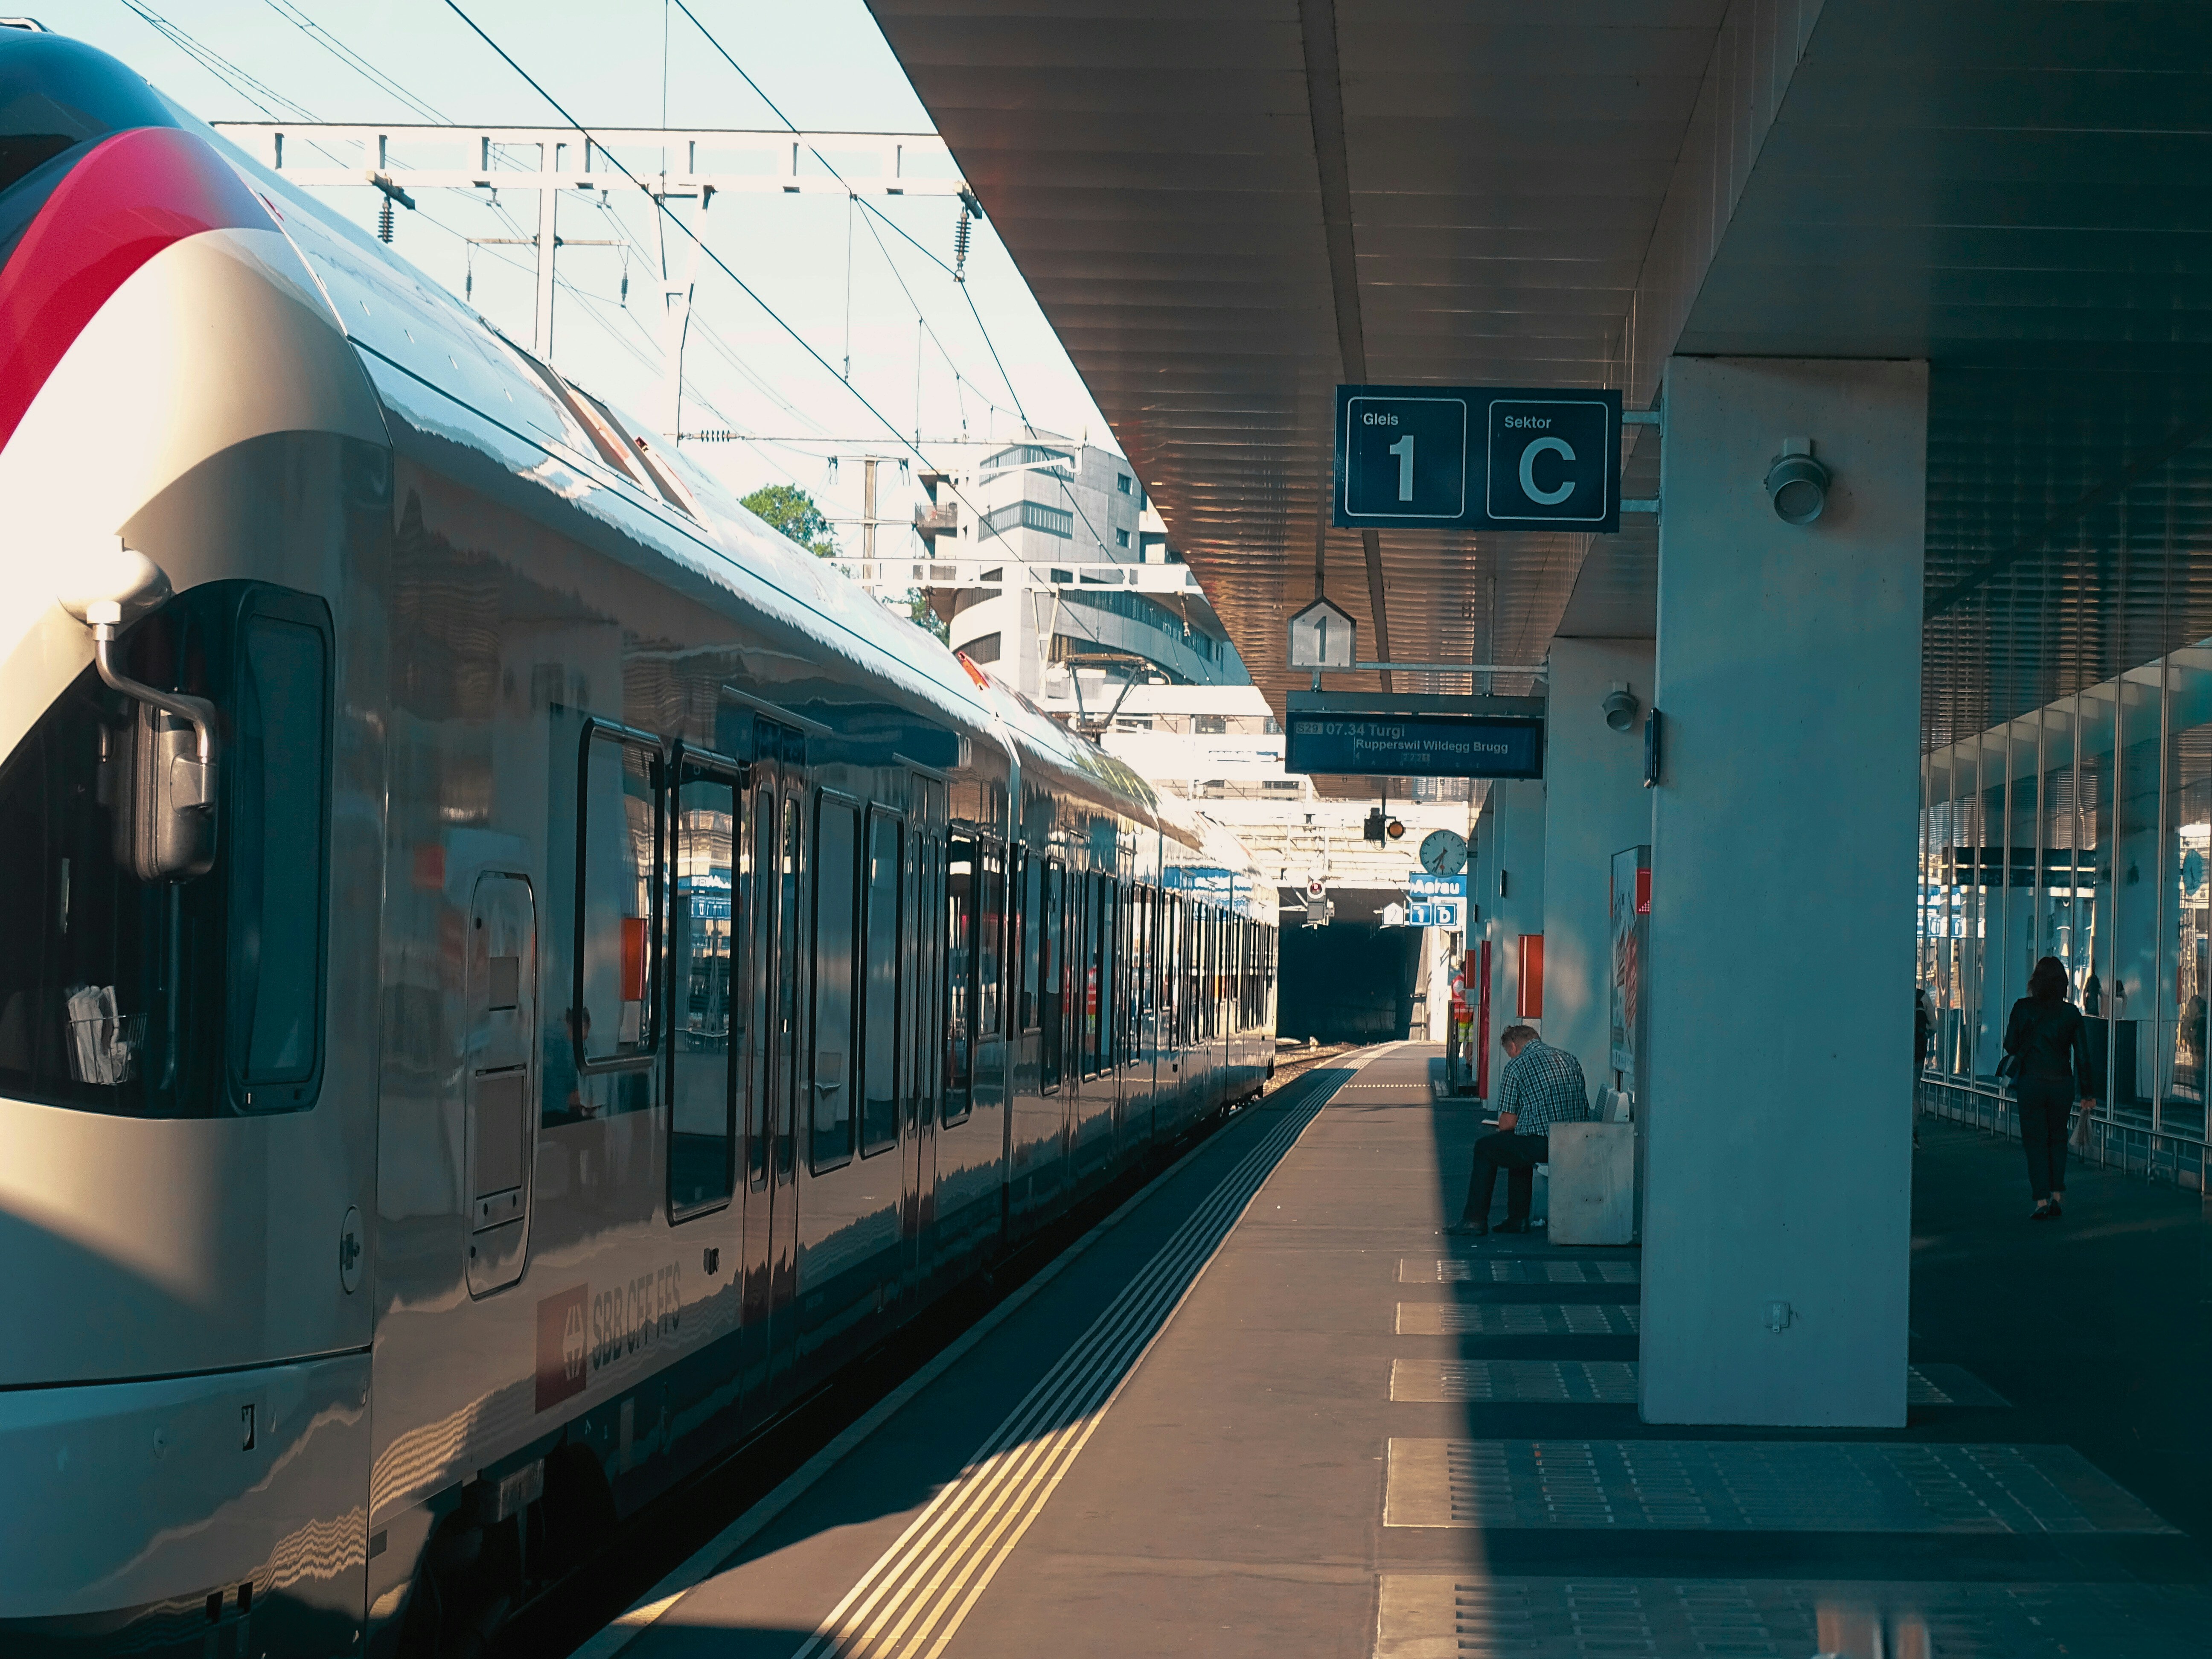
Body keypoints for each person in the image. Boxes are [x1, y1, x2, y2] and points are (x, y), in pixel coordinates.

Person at [1447, 1024, 1589, 1236]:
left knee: (1487, 1148)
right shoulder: (1569, 1058)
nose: (1509, 1056)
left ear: (1513, 1046)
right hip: (1579, 1140)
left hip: (1544, 1145)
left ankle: (1475, 1219)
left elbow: (1507, 1123)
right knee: (1517, 1143)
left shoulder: (1517, 1066)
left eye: (1508, 1052)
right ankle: (1517, 1219)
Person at [2001, 955, 2095, 1221]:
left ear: (2036, 982)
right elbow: (2083, 1056)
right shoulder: (2071, 1013)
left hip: (2031, 1082)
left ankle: (2041, 1200)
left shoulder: (2022, 1008)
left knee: (2035, 1141)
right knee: (2057, 1139)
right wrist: (2087, 1093)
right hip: (2062, 1083)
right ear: (2063, 984)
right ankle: (2057, 1196)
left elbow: (2010, 1044)